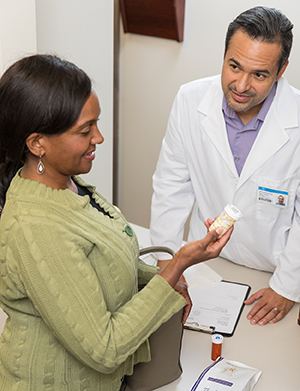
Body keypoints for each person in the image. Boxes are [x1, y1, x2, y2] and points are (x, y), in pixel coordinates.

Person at [0, 54, 231, 391]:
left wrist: (166, 278)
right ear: (37, 144)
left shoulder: (67, 185)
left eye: (96, 123)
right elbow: (105, 349)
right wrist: (176, 266)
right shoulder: (36, 227)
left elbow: (102, 263)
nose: (99, 138)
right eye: (85, 130)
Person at [150, 6, 300, 327]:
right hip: (204, 265)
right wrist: (168, 264)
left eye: (259, 75)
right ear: (224, 54)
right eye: (234, 66)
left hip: (274, 272)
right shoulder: (190, 100)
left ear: (281, 69)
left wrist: (287, 287)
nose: (241, 85)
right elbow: (171, 185)